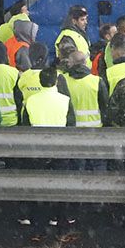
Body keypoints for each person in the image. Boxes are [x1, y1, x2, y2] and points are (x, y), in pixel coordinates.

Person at [20, 66, 76, 235]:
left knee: (37, 183)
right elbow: (71, 124)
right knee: (61, 184)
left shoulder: (31, 101)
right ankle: (59, 216)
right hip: (60, 148)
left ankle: (37, 217)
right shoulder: (65, 100)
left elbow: (25, 125)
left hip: (37, 149)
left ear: (40, 81)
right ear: (56, 81)